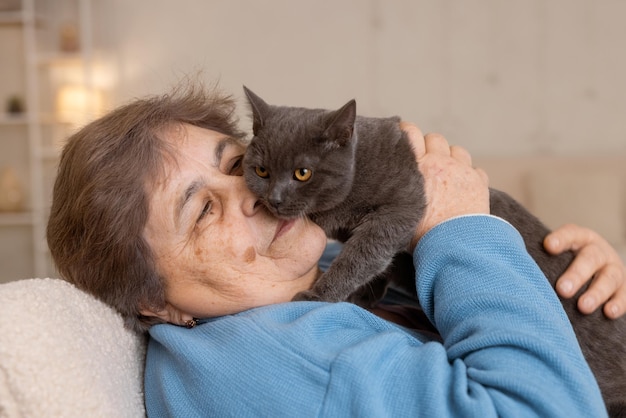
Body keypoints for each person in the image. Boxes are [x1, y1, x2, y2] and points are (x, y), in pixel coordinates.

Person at [47, 83, 624, 416]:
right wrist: (465, 230)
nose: (252, 196)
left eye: (236, 164)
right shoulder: (269, 358)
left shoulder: (298, 283)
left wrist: (563, 284)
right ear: (157, 303)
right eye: (201, 210)